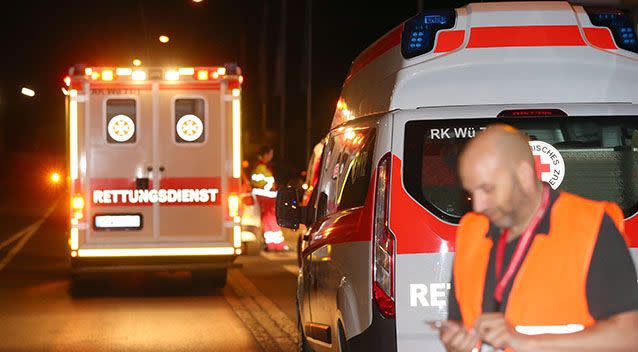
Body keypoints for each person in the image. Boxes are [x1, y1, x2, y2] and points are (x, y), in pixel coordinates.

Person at [438, 124, 638, 352]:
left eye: (488, 189)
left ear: (523, 175)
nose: (479, 204)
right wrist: (455, 339)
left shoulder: (591, 226)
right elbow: (459, 320)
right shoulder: (471, 230)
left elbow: (629, 337)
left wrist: (526, 343)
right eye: (471, 192)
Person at [250, 145, 287, 251]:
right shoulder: (261, 168)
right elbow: (262, 183)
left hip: (265, 197)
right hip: (266, 197)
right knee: (270, 219)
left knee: (268, 219)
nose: (271, 156)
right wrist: (271, 188)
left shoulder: (260, 167)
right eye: (270, 154)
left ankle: (272, 244)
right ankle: (276, 244)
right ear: (266, 154)